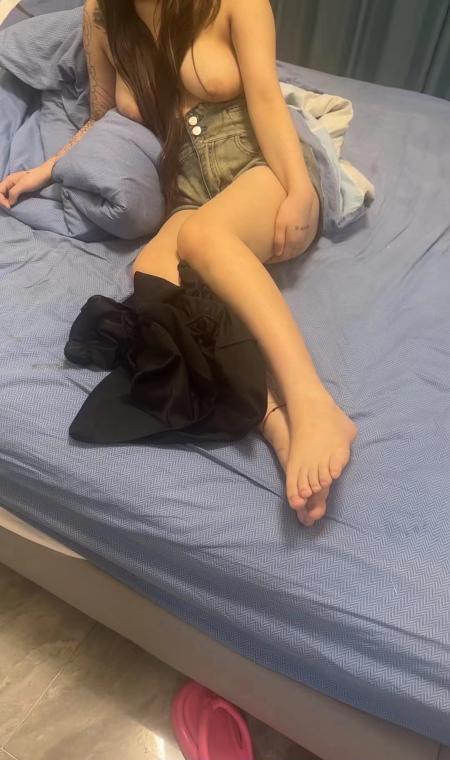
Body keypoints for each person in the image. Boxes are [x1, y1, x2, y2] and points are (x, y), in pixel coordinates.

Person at [0, 0, 357, 526]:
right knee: (152, 278)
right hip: (188, 186)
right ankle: (273, 418)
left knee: (205, 239)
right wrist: (47, 170)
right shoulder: (104, 15)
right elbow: (102, 116)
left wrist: (301, 190)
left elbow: (265, 99)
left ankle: (313, 403)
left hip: (258, 162)